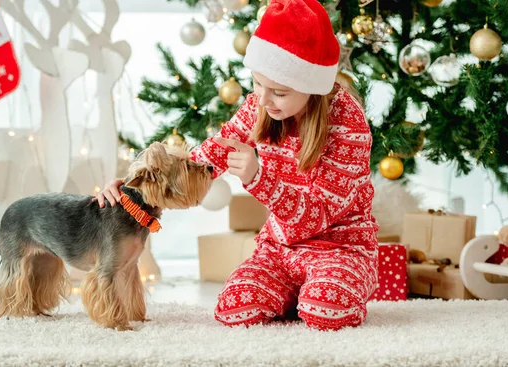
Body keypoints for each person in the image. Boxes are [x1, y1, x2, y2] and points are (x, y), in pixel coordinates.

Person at [95, 0, 379, 331]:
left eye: (278, 92)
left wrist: (259, 178)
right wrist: (133, 185)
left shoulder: (347, 124)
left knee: (326, 310)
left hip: (340, 247)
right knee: (235, 309)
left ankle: (325, 292)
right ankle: (297, 293)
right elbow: (207, 157)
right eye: (257, 84)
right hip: (280, 250)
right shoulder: (263, 107)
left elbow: (317, 216)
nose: (262, 99)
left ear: (312, 87)